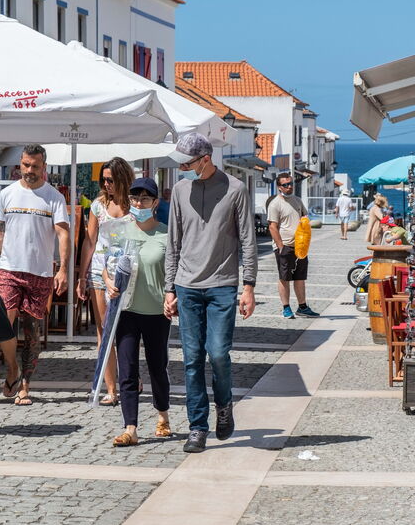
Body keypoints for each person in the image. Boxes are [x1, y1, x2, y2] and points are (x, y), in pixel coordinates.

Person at [164, 133, 257, 453]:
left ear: (205, 159)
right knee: (191, 360)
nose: (183, 169)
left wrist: (249, 286)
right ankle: (197, 427)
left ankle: (225, 404)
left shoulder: (235, 189)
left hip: (222, 285)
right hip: (187, 287)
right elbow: (173, 241)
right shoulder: (179, 190)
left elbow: (248, 240)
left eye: (187, 163)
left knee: (217, 354)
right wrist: (169, 287)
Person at [0, 145, 70, 406]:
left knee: (32, 330)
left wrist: (63, 269)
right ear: (19, 164)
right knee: (4, 324)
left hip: (40, 272)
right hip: (9, 268)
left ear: (44, 167)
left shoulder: (53, 197)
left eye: (35, 166)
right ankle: (12, 369)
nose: (29, 170)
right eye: (25, 165)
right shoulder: (7, 194)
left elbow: (63, 234)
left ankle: (25, 385)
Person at [106, 178, 172, 446]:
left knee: (157, 367)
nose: (139, 203)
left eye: (145, 199)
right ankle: (130, 427)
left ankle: (163, 416)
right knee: (128, 368)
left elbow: (174, 273)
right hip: (127, 309)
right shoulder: (120, 231)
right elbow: (107, 264)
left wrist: (172, 296)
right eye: (135, 198)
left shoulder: (166, 235)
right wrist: (109, 282)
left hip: (156, 311)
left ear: (155, 203)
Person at [77, 157, 134, 406]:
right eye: (104, 180)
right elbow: (89, 241)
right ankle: (111, 388)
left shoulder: (136, 205)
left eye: (110, 180)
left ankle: (130, 379)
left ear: (122, 179)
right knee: (104, 331)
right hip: (101, 272)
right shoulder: (98, 206)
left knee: (129, 331)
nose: (106, 184)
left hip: (130, 273)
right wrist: (81, 274)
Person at [267, 173, 319, 319]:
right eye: (285, 185)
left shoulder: (297, 200)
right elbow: (272, 227)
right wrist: (280, 246)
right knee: (284, 278)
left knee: (300, 277)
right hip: (285, 246)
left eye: (290, 184)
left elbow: (304, 217)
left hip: (300, 246)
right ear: (279, 187)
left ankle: (302, 307)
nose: (289, 186)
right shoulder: (275, 204)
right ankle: (286, 307)